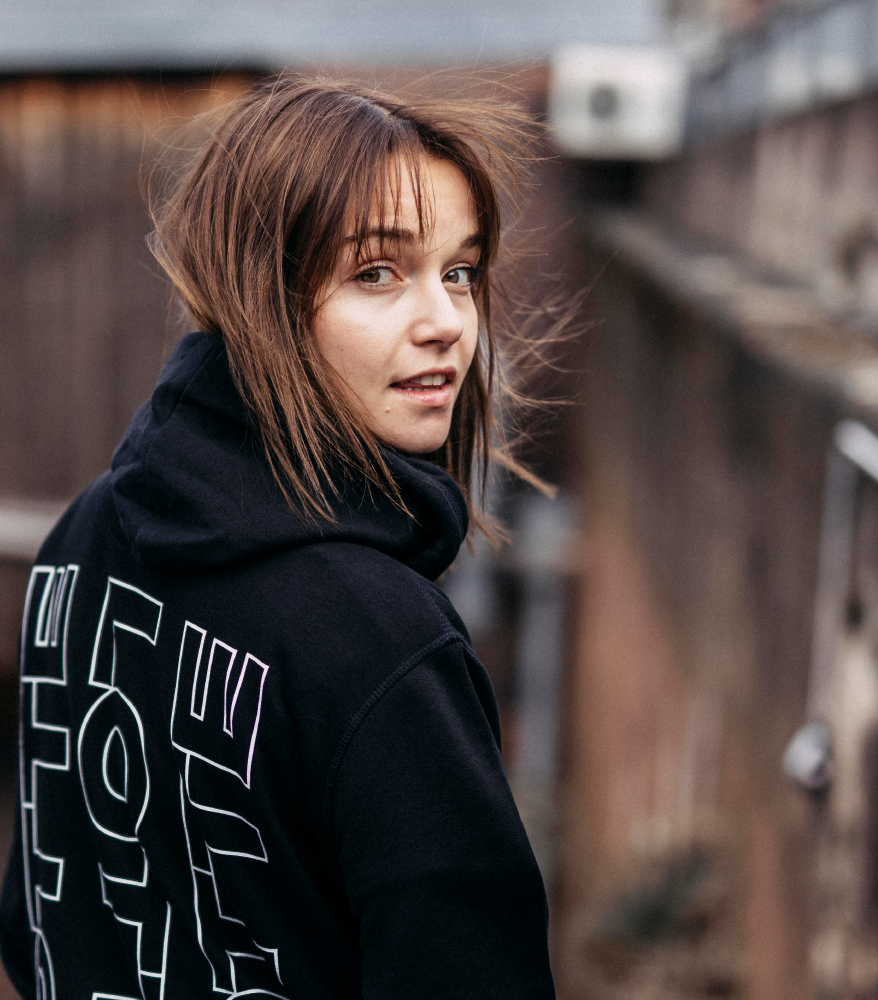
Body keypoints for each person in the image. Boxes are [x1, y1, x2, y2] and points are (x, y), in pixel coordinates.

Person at [0, 75, 558, 999]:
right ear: (261, 296)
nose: (447, 323)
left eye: (459, 272)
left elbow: (37, 920)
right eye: (377, 273)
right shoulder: (383, 644)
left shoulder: (79, 537)